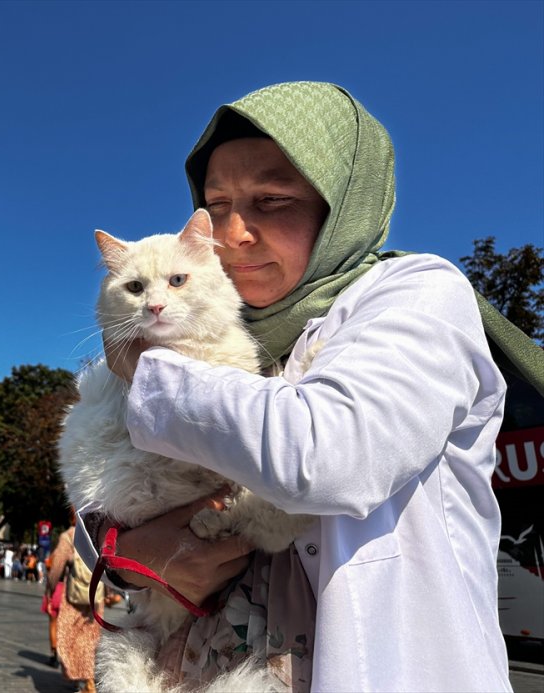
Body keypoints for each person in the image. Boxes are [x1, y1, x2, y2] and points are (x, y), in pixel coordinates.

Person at [75, 80, 540, 691]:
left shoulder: (418, 296)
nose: (233, 233)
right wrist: (124, 555)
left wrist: (143, 368)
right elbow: (113, 503)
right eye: (216, 205)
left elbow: (327, 458)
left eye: (272, 199)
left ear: (342, 203)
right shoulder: (212, 327)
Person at [48, 517, 102, 693]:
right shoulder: (98, 533)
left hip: (74, 597)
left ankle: (84, 681)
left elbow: (57, 566)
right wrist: (110, 593)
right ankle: (89, 681)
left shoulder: (69, 536)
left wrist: (50, 589)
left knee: (69, 638)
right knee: (90, 640)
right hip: (95, 597)